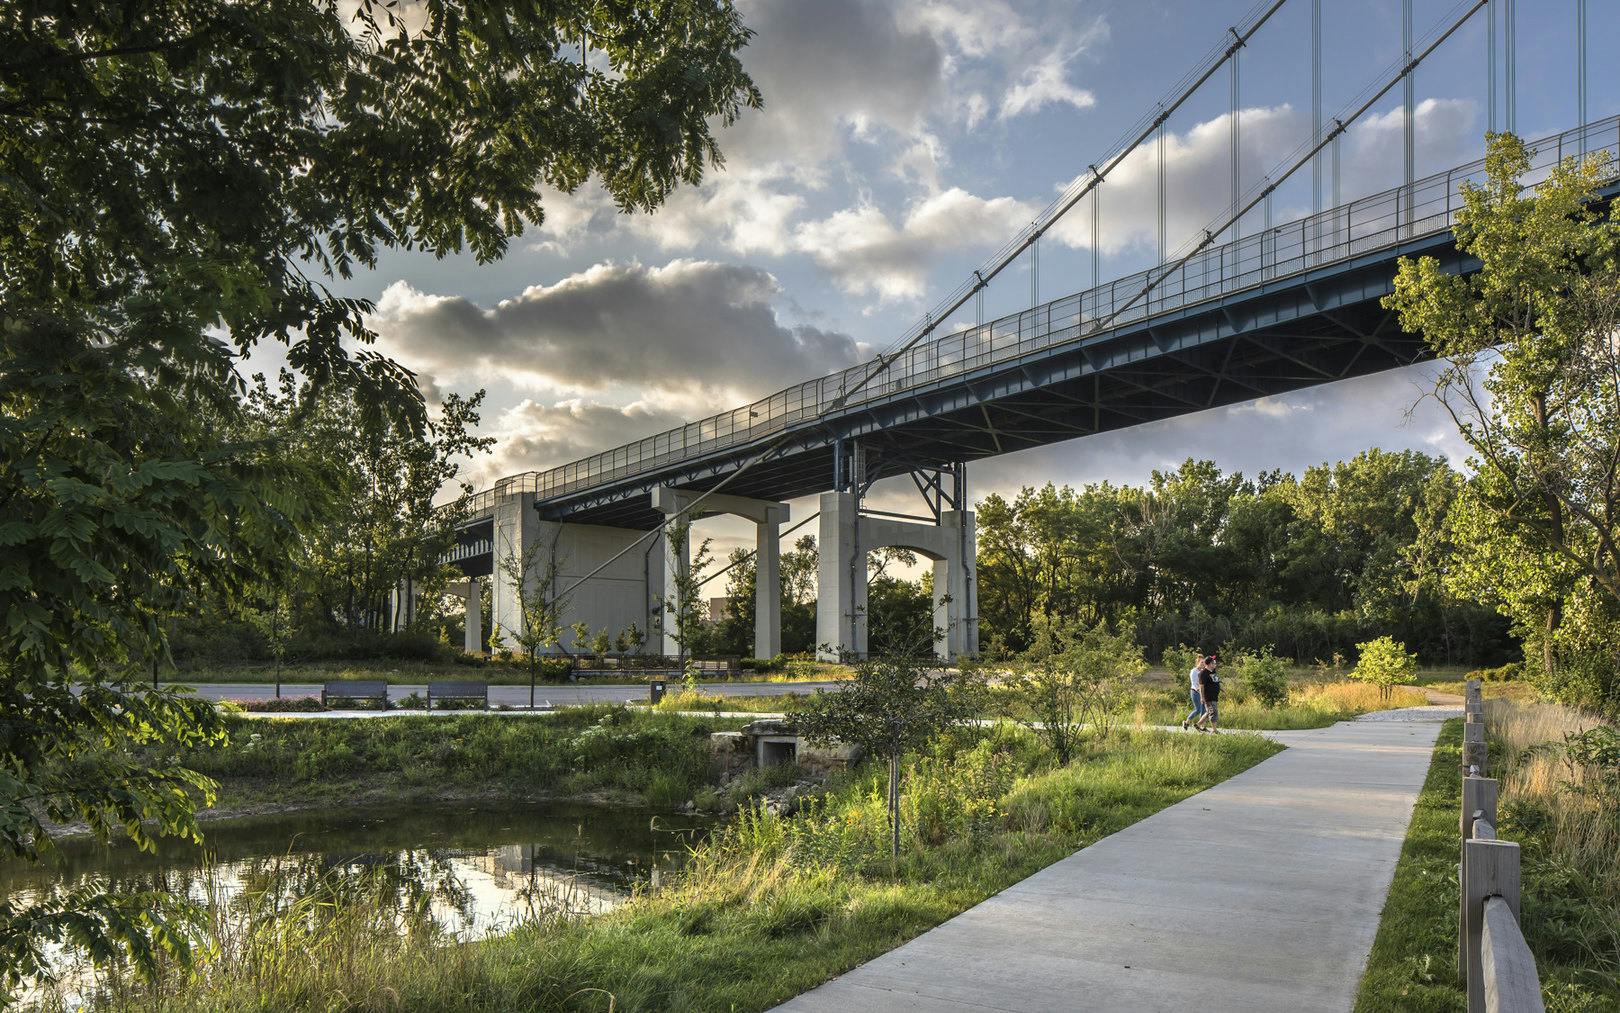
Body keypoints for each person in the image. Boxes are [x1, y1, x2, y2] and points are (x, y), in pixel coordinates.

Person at [1194, 654, 1221, 733]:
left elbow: (1216, 681)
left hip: (1214, 696)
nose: (1215, 664)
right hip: (1208, 697)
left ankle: (1198, 725)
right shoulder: (1203, 674)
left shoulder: (1213, 671)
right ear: (1209, 664)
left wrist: (1221, 689)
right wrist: (1202, 697)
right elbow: (1201, 686)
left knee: (1209, 712)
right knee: (1213, 712)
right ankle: (1215, 730)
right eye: (1213, 663)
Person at [1181, 652, 1205, 730]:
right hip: (1195, 692)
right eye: (1201, 662)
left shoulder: (1203, 671)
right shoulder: (1194, 671)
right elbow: (1194, 683)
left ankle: (1201, 726)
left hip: (1202, 692)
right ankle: (1186, 722)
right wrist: (1200, 691)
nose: (1203, 664)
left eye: (1204, 662)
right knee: (1198, 709)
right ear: (1198, 662)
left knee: (1204, 710)